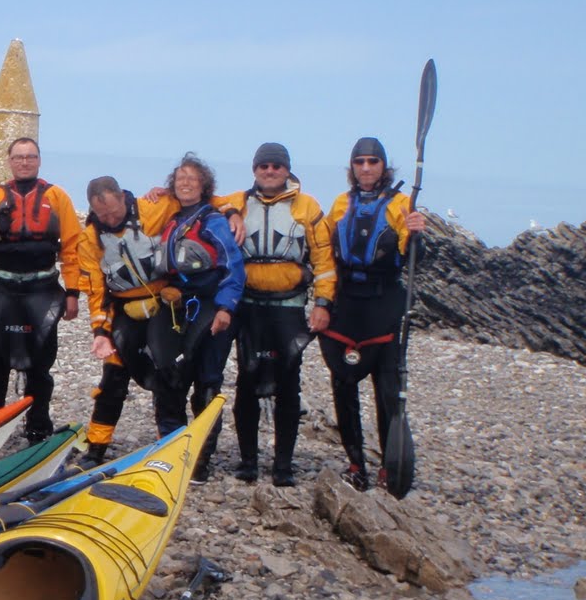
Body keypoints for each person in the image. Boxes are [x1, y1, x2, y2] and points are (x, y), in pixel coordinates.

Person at [218, 143, 336, 486]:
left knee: (288, 382)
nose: (270, 171)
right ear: (254, 170)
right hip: (248, 306)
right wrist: (230, 212)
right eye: (263, 166)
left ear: (287, 170)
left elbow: (324, 261)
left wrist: (323, 304)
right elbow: (206, 199)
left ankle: (283, 465)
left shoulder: (307, 206)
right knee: (247, 379)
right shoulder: (239, 201)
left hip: (289, 307)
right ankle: (248, 462)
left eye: (276, 166)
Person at [319, 136, 429, 490]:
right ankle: (356, 464)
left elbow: (414, 256)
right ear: (352, 167)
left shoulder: (401, 204)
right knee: (343, 384)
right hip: (346, 304)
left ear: (384, 166)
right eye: (360, 162)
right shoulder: (341, 203)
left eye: (373, 161)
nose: (366, 167)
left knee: (387, 390)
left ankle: (388, 467)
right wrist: (322, 301)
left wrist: (417, 235)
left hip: (383, 304)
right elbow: (324, 251)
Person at [0, 137, 81, 442]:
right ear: (9, 161)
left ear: (39, 160)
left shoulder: (57, 197)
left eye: (30, 156)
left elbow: (73, 247)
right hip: (1, 289)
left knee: (40, 365)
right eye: (18, 157)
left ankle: (38, 426)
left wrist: (72, 292)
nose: (25, 162)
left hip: (43, 290)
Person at [149, 153, 245, 480]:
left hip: (210, 307)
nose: (186, 183)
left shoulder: (214, 221)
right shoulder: (171, 219)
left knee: (207, 382)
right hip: (177, 306)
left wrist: (226, 308)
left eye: (192, 178)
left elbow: (233, 266)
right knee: (169, 378)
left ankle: (201, 459)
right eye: (180, 178)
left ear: (204, 185)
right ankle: (172, 450)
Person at [77, 175, 179, 465]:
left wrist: (232, 213)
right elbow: (96, 291)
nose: (110, 219)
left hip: (163, 304)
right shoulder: (90, 239)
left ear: (123, 197)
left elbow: (198, 200)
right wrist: (100, 332)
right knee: (112, 378)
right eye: (102, 215)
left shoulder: (154, 208)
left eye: (114, 212)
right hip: (124, 310)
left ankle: (171, 443)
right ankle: (96, 447)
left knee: (167, 374)